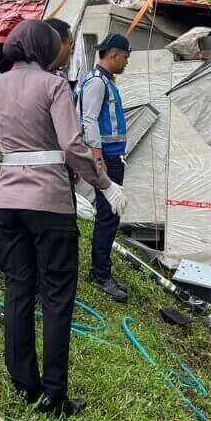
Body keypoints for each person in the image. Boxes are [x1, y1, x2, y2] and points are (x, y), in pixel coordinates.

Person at [0, 20, 124, 417]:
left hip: (7, 202)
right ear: (44, 48)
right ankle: (54, 394)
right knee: (57, 297)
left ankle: (24, 383)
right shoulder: (54, 86)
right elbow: (73, 146)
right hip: (50, 203)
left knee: (17, 289)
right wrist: (104, 184)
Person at [78, 33, 132, 303]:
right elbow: (89, 122)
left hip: (112, 158)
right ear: (113, 55)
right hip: (105, 160)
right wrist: (98, 160)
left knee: (111, 216)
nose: (126, 63)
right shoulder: (97, 83)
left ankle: (102, 269)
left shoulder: (105, 82)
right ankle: (100, 273)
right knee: (108, 216)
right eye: (125, 57)